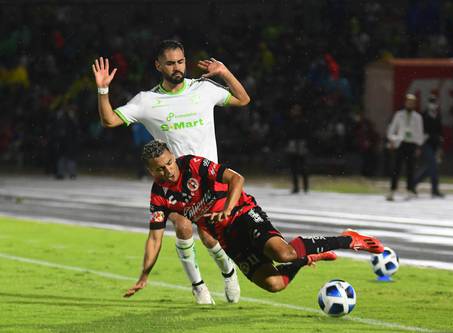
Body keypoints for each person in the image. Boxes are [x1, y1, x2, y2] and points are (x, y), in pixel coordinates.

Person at [92, 40, 251, 304]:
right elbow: (109, 120)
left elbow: (243, 99)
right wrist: (102, 88)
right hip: (175, 180)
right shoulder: (147, 101)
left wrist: (224, 73)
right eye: (170, 63)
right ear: (158, 65)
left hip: (210, 177)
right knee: (182, 225)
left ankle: (228, 271)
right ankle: (199, 286)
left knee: (210, 235)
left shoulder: (204, 89)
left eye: (180, 61)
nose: (176, 67)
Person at [124, 140, 384, 296]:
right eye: (160, 168)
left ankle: (348, 239)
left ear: (172, 155)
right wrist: (144, 275)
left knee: (282, 254)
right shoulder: (159, 195)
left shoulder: (192, 164)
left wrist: (228, 207)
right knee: (274, 284)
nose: (168, 170)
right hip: (227, 237)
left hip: (243, 213)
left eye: (169, 162)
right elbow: (154, 238)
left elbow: (236, 179)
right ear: (150, 171)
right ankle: (307, 257)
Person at [386, 94, 424, 201]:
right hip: (401, 143)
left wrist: (418, 146)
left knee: (410, 168)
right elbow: (392, 129)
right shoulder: (399, 115)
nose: (410, 104)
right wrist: (392, 139)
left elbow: (419, 132)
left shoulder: (418, 117)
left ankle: (410, 190)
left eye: (412, 102)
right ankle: (392, 190)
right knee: (396, 168)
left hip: (411, 144)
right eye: (408, 101)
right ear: (405, 102)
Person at [414, 94, 444, 198]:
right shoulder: (424, 115)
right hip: (425, 144)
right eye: (432, 102)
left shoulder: (438, 115)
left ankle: (413, 183)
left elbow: (440, 131)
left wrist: (440, 147)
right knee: (433, 165)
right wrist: (418, 146)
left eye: (435, 102)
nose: (433, 105)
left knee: (430, 168)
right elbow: (420, 131)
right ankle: (434, 189)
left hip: (435, 145)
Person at [285, 103, 309, 193]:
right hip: (292, 145)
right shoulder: (290, 121)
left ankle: (306, 187)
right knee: (293, 167)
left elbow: (306, 134)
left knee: (303, 167)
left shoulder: (303, 121)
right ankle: (296, 187)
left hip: (301, 144)